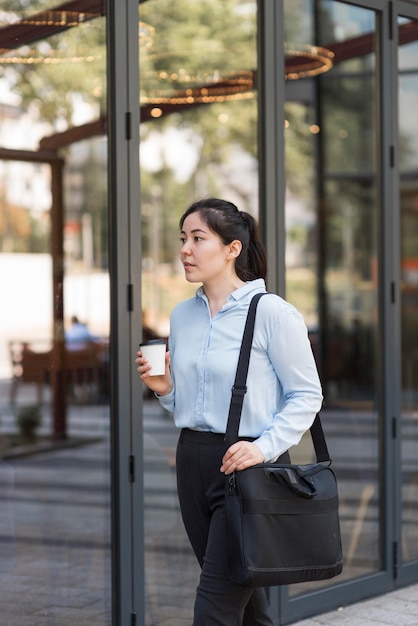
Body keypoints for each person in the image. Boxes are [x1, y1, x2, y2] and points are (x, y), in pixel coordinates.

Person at [136, 197, 323, 626]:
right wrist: (165, 391)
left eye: (198, 238)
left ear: (232, 249)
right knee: (245, 599)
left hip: (249, 468)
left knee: (215, 606)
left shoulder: (272, 313)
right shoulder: (183, 316)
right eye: (182, 238)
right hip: (193, 461)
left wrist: (263, 448)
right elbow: (191, 405)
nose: (185, 248)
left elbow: (306, 395)